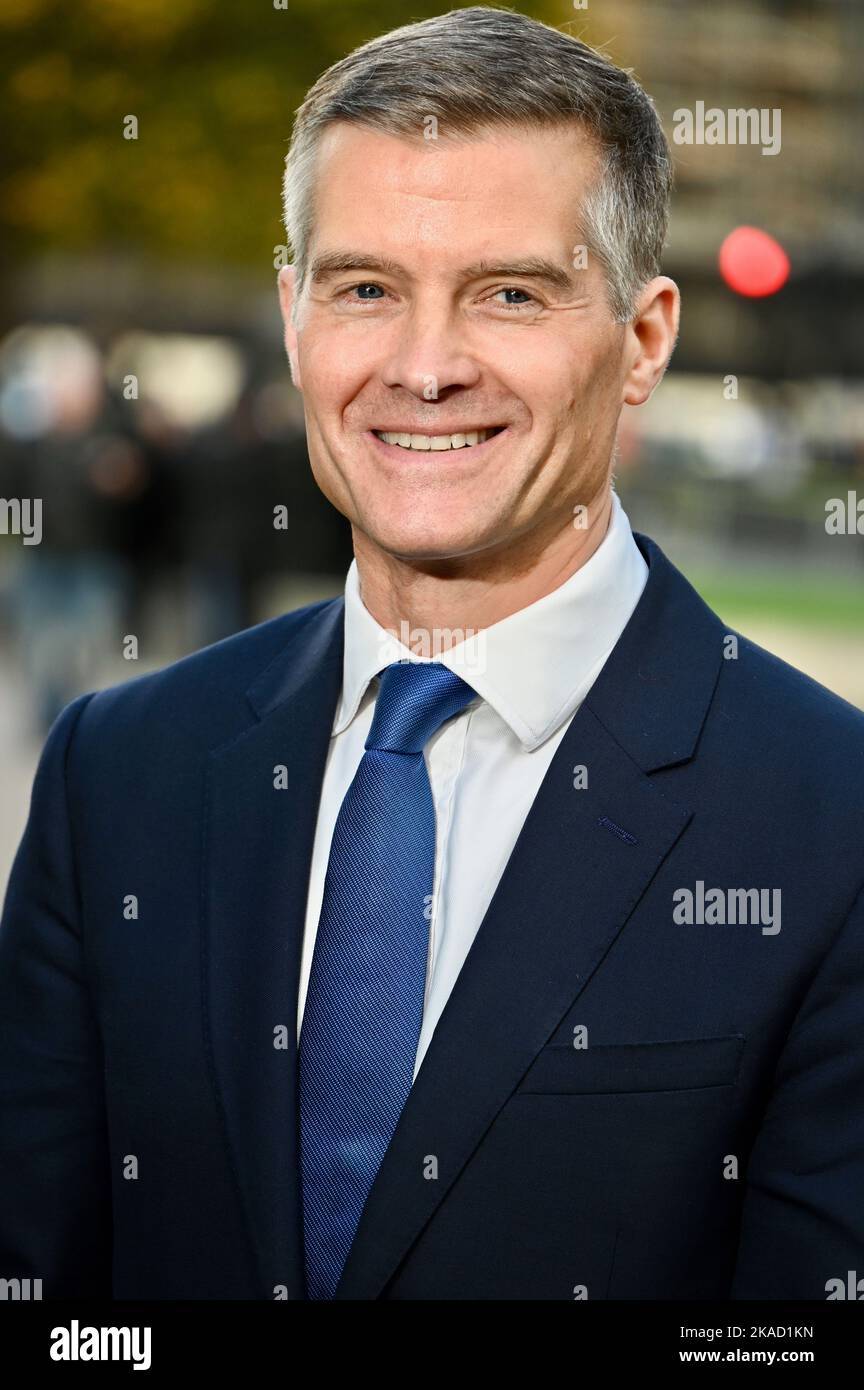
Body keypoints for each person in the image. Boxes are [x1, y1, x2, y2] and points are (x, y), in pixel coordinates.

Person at [1, 7, 862, 1302]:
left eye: (509, 292)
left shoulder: (834, 821)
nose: (424, 367)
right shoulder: (115, 775)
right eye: (365, 289)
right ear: (292, 318)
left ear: (643, 341)